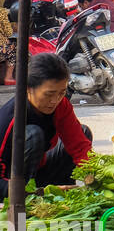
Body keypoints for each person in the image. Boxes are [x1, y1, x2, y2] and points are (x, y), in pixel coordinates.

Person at [0, 53, 92, 189]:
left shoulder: (61, 105)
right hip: (9, 183)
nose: (55, 101)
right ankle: (30, 196)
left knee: (83, 132)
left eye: (61, 93)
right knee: (33, 134)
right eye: (49, 94)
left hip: (39, 170)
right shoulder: (11, 116)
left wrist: (95, 174)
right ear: (28, 88)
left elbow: (79, 146)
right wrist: (25, 192)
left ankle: (61, 192)